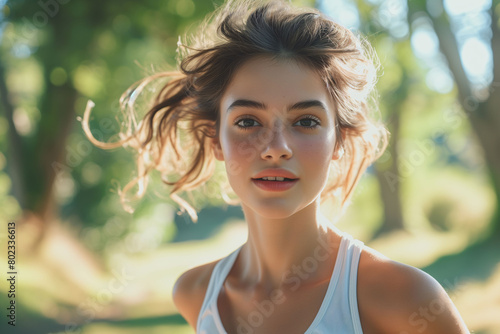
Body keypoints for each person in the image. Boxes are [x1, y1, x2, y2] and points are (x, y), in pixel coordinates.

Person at [83, 0, 470, 333]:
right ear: (217, 139)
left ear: (339, 140)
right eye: (248, 121)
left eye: (306, 121)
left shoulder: (404, 297)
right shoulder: (196, 294)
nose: (276, 149)